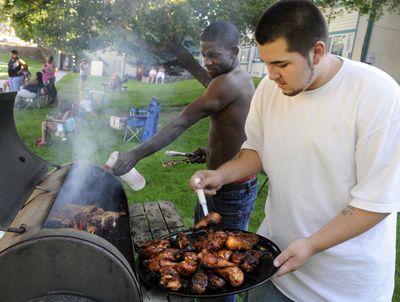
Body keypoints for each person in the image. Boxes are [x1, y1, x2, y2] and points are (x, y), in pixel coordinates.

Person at [189, 1, 400, 302]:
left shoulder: (377, 95)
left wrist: (312, 245)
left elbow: (377, 201)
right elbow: (257, 149)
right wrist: (220, 174)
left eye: (282, 64)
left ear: (317, 52)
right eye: (266, 63)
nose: (271, 75)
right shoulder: (270, 89)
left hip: (344, 288)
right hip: (272, 268)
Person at [112, 21, 257, 233]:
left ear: (234, 52)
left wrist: (134, 155)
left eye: (213, 55)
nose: (206, 61)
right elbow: (236, 130)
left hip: (230, 189)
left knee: (221, 255)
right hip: (225, 182)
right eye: (203, 55)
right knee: (205, 244)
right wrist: (211, 152)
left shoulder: (226, 83)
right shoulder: (243, 78)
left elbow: (181, 122)